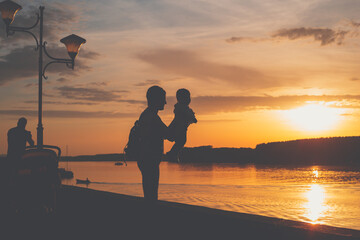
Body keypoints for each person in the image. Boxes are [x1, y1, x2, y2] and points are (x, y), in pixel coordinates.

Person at [137, 86, 169, 201]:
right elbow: (169, 135)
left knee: (150, 192)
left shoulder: (148, 115)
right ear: (156, 99)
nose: (165, 102)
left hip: (146, 159)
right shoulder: (151, 117)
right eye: (163, 99)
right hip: (149, 160)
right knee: (151, 195)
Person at [166, 88, 197, 162]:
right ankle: (172, 153)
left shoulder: (185, 108)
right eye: (186, 98)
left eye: (189, 97)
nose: (188, 99)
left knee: (181, 141)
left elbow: (190, 115)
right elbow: (184, 114)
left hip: (182, 128)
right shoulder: (180, 107)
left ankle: (174, 154)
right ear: (180, 99)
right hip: (178, 127)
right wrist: (191, 117)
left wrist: (193, 118)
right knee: (181, 140)